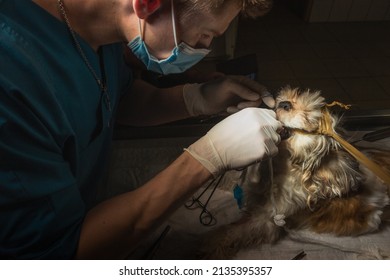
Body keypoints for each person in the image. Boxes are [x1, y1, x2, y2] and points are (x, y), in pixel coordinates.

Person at [0, 0, 282, 259]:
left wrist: (197, 99)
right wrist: (208, 158)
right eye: (207, 34)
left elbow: (116, 98)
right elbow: (60, 255)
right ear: (147, 4)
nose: (204, 46)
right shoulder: (11, 77)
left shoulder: (100, 27)